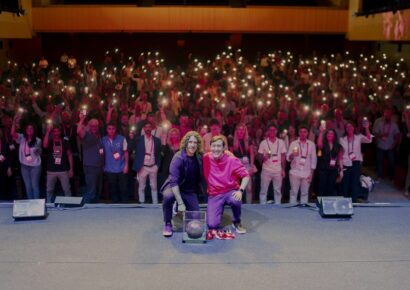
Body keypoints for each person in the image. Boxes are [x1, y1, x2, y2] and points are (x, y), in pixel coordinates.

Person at [203, 135, 250, 240]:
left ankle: (236, 221)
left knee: (235, 199)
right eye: (213, 146)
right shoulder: (206, 157)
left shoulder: (231, 159)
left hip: (229, 191)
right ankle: (218, 210)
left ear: (224, 148)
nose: (216, 149)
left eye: (219, 146)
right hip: (214, 194)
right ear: (210, 147)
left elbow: (246, 176)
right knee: (212, 225)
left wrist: (240, 191)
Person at [161, 131, 204, 237]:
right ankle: (167, 223)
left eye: (195, 142)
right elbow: (174, 182)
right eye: (190, 142)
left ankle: (178, 209)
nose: (193, 145)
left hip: (189, 190)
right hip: (174, 187)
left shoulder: (199, 157)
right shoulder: (178, 158)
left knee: (196, 219)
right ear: (186, 143)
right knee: (167, 197)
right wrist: (180, 203)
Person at [340, 121, 372, 202]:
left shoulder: (359, 137)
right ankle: (345, 202)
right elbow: (340, 152)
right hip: (345, 163)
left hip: (355, 162)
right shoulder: (342, 139)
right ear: (345, 129)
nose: (349, 128)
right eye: (347, 127)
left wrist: (367, 128)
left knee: (354, 183)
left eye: (351, 126)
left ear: (353, 128)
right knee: (345, 183)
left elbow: (369, 140)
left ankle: (353, 201)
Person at [11, 121, 42, 199]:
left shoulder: (38, 140)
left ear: (34, 130)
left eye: (31, 128)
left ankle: (37, 205)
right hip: (24, 166)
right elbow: (12, 134)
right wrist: (14, 123)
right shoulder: (22, 138)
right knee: (28, 186)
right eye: (28, 128)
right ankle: (30, 205)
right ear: (25, 130)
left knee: (34, 186)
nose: (29, 130)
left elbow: (39, 152)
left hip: (35, 166)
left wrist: (38, 150)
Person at [132, 120, 162, 204]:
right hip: (143, 166)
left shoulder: (157, 140)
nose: (148, 129)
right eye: (146, 127)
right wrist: (131, 138)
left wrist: (157, 166)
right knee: (141, 187)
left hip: (153, 166)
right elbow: (131, 148)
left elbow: (159, 155)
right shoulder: (138, 139)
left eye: (149, 127)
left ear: (152, 128)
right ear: (143, 129)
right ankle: (141, 203)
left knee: (154, 187)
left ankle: (155, 203)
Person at [286, 125, 317, 204]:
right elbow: (288, 158)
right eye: (301, 132)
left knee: (305, 193)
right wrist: (292, 155)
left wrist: (311, 174)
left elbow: (313, 160)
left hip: (307, 172)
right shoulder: (293, 143)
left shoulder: (311, 144)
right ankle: (292, 212)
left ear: (307, 133)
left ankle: (303, 213)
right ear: (299, 133)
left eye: (304, 132)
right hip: (295, 172)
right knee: (293, 193)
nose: (303, 134)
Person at [43, 124, 74, 203]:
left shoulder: (65, 141)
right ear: (53, 132)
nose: (56, 133)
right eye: (54, 131)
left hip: (63, 169)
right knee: (49, 190)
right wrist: (48, 131)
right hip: (51, 170)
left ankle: (69, 205)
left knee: (66, 189)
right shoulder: (50, 141)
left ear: (60, 132)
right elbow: (44, 145)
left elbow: (69, 155)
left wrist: (71, 169)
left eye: (58, 131)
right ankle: (49, 206)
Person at [77, 115, 104, 203]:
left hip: (99, 166)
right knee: (91, 191)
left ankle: (95, 211)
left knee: (98, 190)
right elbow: (79, 131)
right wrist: (81, 120)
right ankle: (85, 209)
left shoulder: (99, 135)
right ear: (89, 126)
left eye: (96, 126)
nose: (94, 127)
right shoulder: (86, 134)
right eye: (92, 126)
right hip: (90, 166)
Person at [257, 124, 286, 204]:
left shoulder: (281, 142)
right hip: (266, 170)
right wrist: (263, 158)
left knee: (277, 191)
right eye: (270, 130)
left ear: (276, 131)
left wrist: (283, 169)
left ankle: (278, 209)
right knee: (263, 191)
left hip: (278, 170)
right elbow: (259, 159)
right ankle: (262, 208)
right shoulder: (263, 143)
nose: (272, 132)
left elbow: (283, 157)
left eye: (274, 130)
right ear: (268, 132)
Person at [101, 122, 129, 203]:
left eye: (113, 129)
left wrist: (126, 165)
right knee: (113, 191)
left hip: (121, 168)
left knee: (123, 190)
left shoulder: (122, 138)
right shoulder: (103, 140)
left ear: (115, 129)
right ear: (107, 130)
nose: (111, 131)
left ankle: (125, 208)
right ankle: (115, 211)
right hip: (109, 169)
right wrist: (103, 166)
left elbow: (126, 152)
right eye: (109, 129)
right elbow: (101, 154)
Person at [373, 107, 400, 181]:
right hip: (380, 146)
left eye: (389, 115)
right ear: (384, 115)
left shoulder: (394, 124)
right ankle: (380, 175)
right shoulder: (380, 123)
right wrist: (381, 136)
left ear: (391, 115)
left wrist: (394, 144)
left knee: (391, 162)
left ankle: (391, 176)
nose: (387, 116)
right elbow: (375, 134)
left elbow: (397, 135)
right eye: (386, 114)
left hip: (390, 146)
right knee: (379, 162)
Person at [316, 126, 343, 197]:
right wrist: (321, 132)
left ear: (334, 136)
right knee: (322, 187)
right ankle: (320, 204)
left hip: (333, 170)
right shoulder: (323, 144)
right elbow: (319, 144)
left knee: (331, 188)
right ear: (326, 135)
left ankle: (328, 205)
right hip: (323, 169)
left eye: (332, 134)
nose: (330, 135)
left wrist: (341, 171)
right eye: (328, 133)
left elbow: (340, 158)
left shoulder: (338, 146)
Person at [232, 123, 255, 203]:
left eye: (243, 130)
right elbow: (231, 156)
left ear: (245, 131)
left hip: (246, 164)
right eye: (239, 129)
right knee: (238, 187)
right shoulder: (232, 140)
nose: (241, 131)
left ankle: (249, 206)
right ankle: (239, 205)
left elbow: (252, 154)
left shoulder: (248, 139)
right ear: (236, 131)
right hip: (236, 165)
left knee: (249, 188)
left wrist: (252, 166)